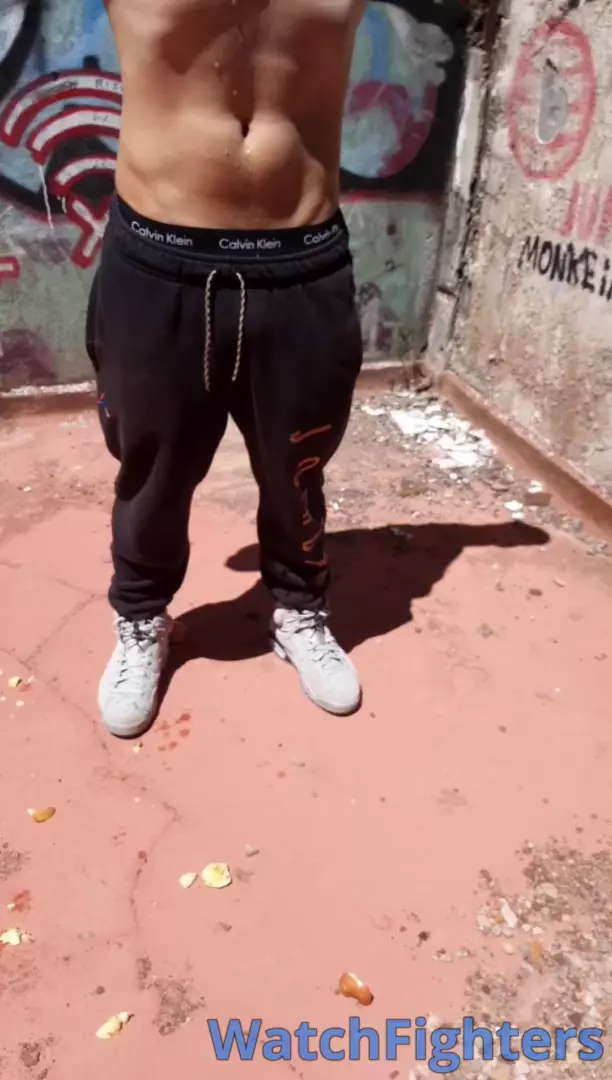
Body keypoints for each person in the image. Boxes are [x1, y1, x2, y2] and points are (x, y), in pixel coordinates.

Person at [87, 0, 366, 739]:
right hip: (158, 261)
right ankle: (141, 618)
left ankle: (299, 609)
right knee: (150, 470)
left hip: (303, 259)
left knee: (298, 465)